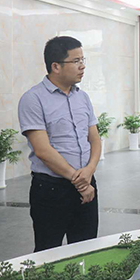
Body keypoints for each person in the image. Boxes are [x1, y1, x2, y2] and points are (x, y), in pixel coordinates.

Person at [18, 36, 100, 252]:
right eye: (76, 61)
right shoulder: (33, 99)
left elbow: (94, 139)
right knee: (48, 252)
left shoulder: (82, 98)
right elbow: (43, 150)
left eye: (83, 60)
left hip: (88, 184)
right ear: (55, 66)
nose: (82, 66)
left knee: (86, 250)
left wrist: (89, 171)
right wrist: (80, 183)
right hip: (52, 190)